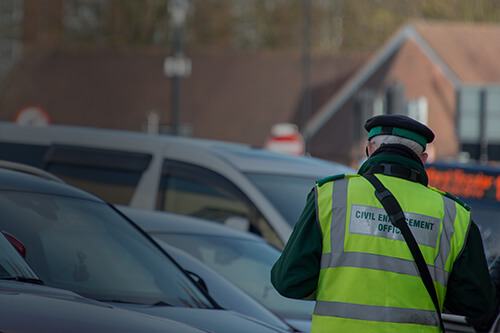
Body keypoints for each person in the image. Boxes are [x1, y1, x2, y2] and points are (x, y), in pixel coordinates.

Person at [271, 114, 494, 332]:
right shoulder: (453, 214)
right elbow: (476, 303)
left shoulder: (330, 196)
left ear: (369, 148)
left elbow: (289, 281)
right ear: (423, 159)